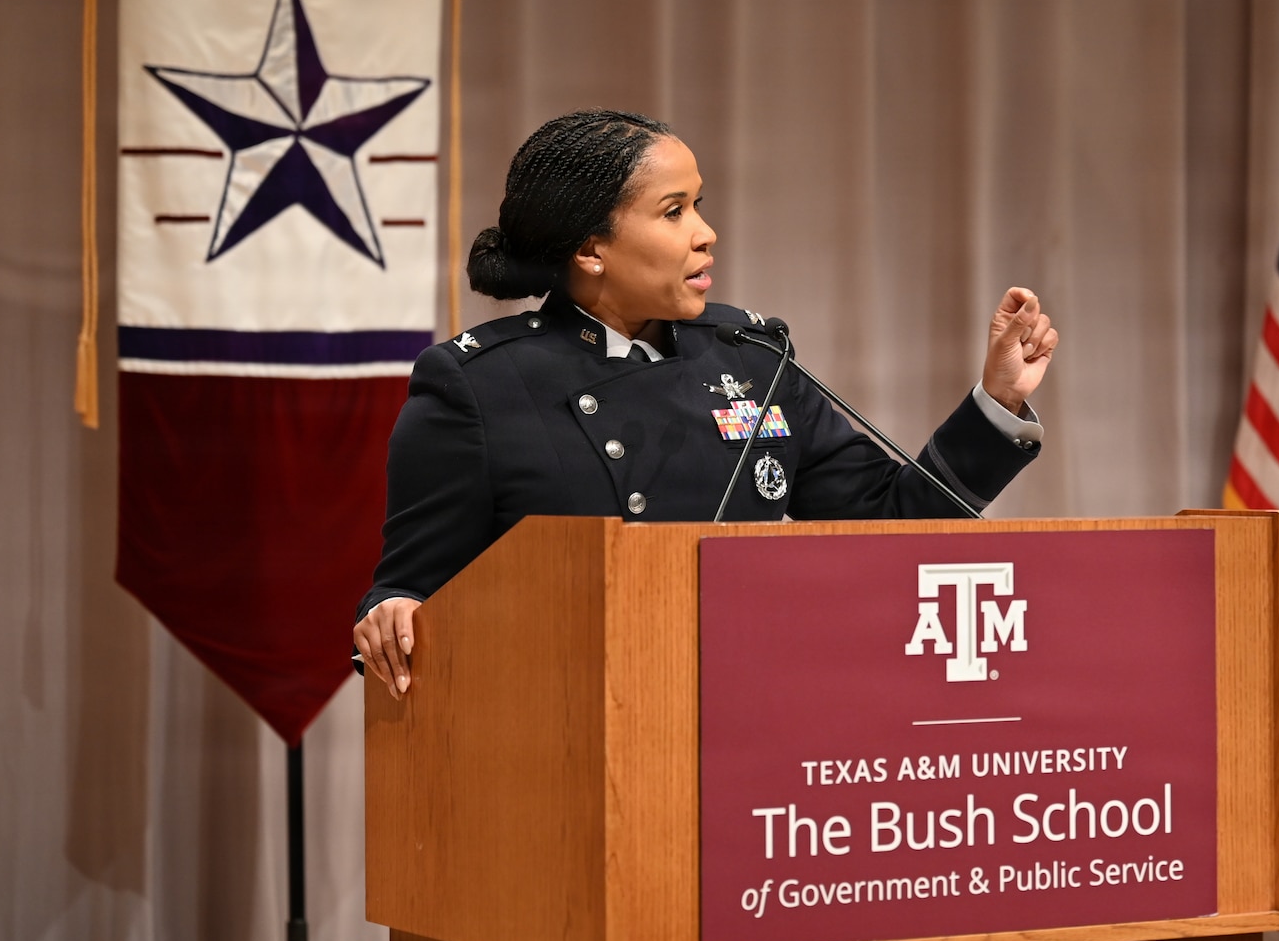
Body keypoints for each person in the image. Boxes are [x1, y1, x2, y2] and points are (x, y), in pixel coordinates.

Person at [352, 108, 1059, 697]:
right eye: (673, 210)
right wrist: (394, 612)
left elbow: (892, 524)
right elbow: (411, 590)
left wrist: (994, 401)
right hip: (563, 740)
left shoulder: (751, 357)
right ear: (592, 248)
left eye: (699, 204)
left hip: (750, 727)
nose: (705, 231)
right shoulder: (479, 385)